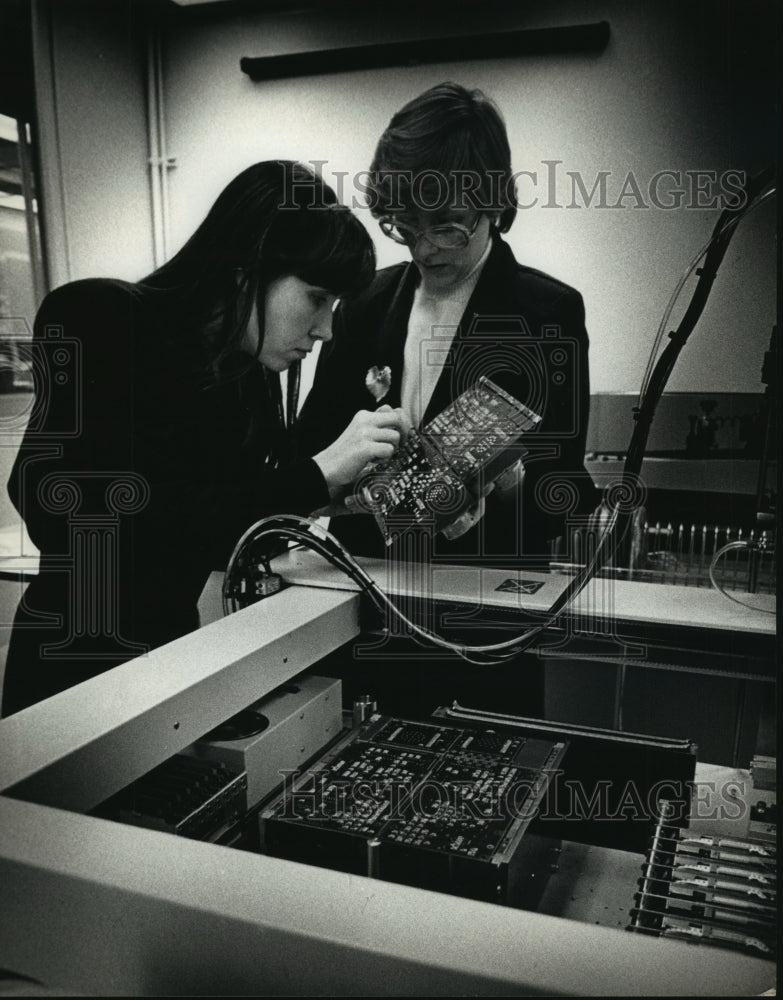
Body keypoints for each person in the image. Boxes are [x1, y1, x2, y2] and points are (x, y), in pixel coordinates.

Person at [2, 160, 406, 716]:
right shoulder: (98, 315)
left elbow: (224, 534)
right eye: (316, 298)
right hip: (72, 670)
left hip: (172, 660)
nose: (326, 329)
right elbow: (65, 512)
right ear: (247, 268)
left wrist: (341, 492)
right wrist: (315, 473)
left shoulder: (247, 378)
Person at [297, 83, 599, 715]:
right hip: (367, 611)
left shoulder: (548, 314)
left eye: (447, 227)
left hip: (486, 628)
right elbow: (308, 452)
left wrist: (513, 479)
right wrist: (345, 467)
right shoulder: (362, 306)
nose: (424, 247)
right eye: (405, 228)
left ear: (494, 205)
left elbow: (566, 490)